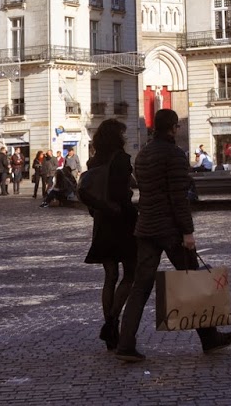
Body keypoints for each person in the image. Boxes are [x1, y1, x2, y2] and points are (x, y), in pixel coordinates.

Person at [114, 108, 231, 363]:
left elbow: (145, 189)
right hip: (169, 228)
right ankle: (210, 338)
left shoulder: (144, 154)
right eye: (176, 127)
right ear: (172, 128)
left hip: (146, 227)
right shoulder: (174, 155)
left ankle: (125, 342)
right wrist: (187, 232)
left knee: (140, 286)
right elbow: (178, 198)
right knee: (192, 279)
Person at [84, 118, 138, 350]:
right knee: (130, 274)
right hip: (122, 220)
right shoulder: (122, 160)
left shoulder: (93, 161)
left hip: (102, 220)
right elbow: (122, 193)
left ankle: (110, 326)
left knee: (110, 276)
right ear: (117, 137)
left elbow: (92, 190)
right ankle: (112, 322)